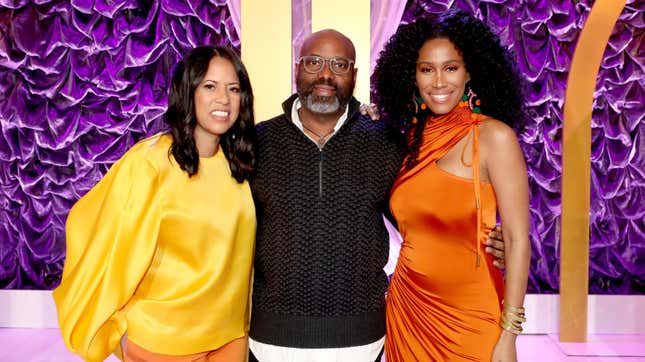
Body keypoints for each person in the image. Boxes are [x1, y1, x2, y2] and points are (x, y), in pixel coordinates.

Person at [248, 29, 507, 362]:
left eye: (339, 65)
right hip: (271, 340)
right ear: (297, 68)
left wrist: (486, 237)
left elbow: (424, 219)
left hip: (362, 340)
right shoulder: (256, 142)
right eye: (314, 62)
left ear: (355, 76)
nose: (326, 74)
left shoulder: (386, 142)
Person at [53, 45, 257, 362]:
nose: (224, 100)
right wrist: (116, 326)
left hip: (229, 338)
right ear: (188, 92)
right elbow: (103, 241)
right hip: (162, 342)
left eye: (234, 89)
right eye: (210, 87)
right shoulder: (150, 164)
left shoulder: (239, 165)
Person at [372, 10, 531, 362]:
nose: (438, 82)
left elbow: (519, 241)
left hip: (474, 315)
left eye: (451, 68)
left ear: (470, 71)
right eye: (426, 69)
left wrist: (509, 335)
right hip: (409, 309)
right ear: (412, 76)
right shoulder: (408, 139)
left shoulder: (494, 137)